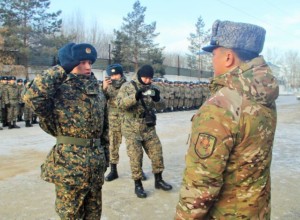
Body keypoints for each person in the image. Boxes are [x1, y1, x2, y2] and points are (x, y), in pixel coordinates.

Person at [175, 20, 279, 219]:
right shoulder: (262, 95)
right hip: (257, 211)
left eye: (214, 54)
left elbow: (200, 187)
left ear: (229, 57)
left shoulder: (222, 106)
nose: (212, 61)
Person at [23, 42, 108, 219]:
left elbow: (104, 128)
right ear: (69, 64)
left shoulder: (97, 90)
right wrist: (61, 69)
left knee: (94, 215)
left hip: (95, 165)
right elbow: (31, 96)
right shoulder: (58, 90)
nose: (87, 66)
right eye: (81, 62)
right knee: (70, 215)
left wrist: (104, 158)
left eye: (89, 62)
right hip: (69, 166)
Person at [116, 64, 172, 198]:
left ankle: (159, 180)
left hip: (148, 128)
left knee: (157, 153)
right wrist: (135, 96)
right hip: (131, 128)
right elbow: (119, 105)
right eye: (145, 78)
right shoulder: (127, 87)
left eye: (150, 78)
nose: (148, 80)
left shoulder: (153, 88)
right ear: (140, 75)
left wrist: (157, 99)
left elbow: (162, 106)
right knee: (136, 157)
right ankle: (138, 185)